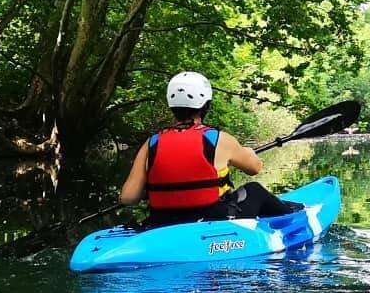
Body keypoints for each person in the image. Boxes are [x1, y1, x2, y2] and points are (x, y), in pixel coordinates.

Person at [118, 72, 302, 227]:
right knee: (254, 190)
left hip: (163, 222)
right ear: (206, 105)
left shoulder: (152, 142)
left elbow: (128, 198)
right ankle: (293, 222)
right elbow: (255, 168)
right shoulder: (217, 139)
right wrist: (249, 153)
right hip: (212, 220)